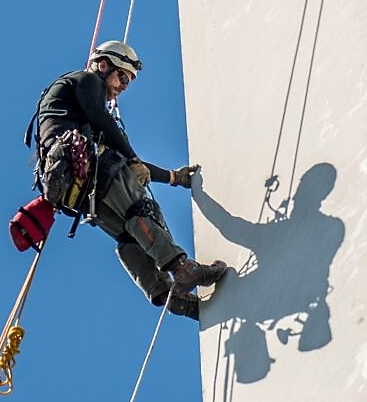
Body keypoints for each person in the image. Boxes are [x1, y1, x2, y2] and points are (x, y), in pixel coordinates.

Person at [30, 40, 226, 319]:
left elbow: (120, 157)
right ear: (103, 65)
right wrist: (133, 159)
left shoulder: (75, 112)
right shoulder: (87, 80)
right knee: (140, 211)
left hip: (76, 187)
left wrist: (173, 177)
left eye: (129, 81)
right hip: (91, 169)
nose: (124, 86)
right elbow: (107, 129)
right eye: (122, 77)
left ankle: (169, 296)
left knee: (127, 234)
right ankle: (183, 269)